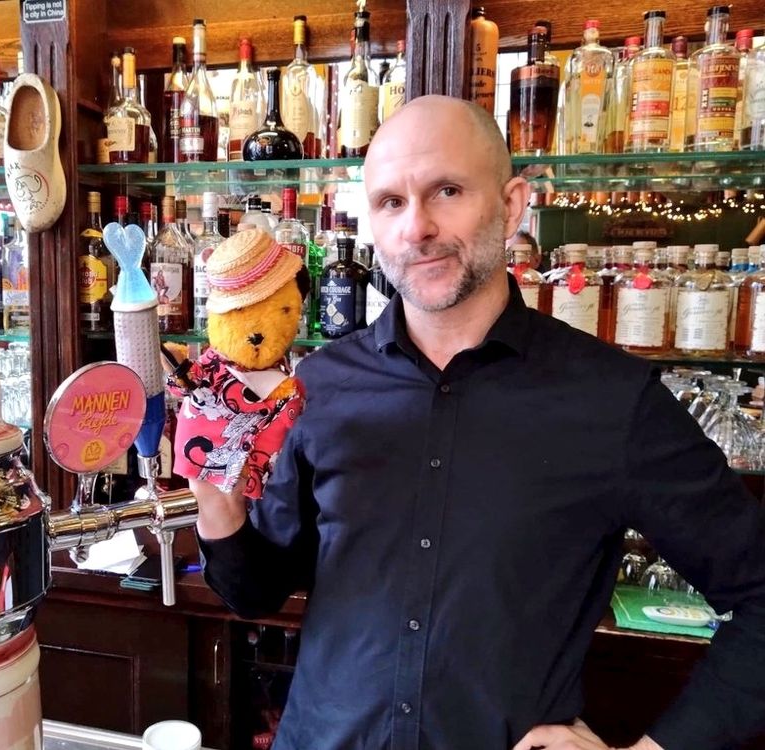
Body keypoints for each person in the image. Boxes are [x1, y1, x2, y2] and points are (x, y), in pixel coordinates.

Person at [191, 95, 765, 750]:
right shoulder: (321, 386)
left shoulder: (611, 398)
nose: (417, 227)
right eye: (390, 202)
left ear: (513, 205)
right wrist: (218, 507)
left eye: (447, 191)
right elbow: (257, 591)